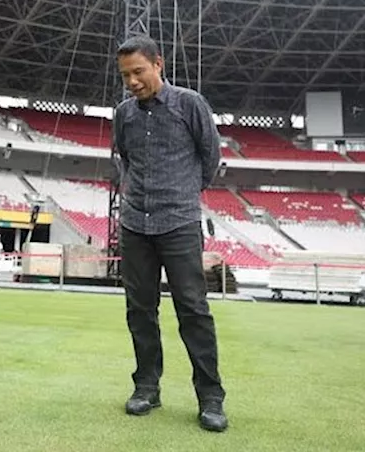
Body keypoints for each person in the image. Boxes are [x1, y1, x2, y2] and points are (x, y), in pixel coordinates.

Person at [111, 36, 227, 433]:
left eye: (138, 72)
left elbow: (211, 157)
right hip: (135, 225)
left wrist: (181, 193)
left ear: (158, 64)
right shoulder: (123, 114)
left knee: (193, 310)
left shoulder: (190, 104)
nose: (132, 82)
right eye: (126, 75)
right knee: (140, 310)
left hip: (178, 222)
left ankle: (210, 398)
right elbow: (124, 158)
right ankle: (147, 387)